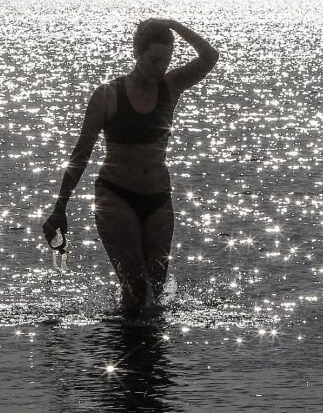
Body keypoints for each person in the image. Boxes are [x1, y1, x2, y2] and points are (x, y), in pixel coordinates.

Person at [42, 18, 219, 313]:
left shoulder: (172, 86)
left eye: (165, 61)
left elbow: (210, 56)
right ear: (137, 54)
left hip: (158, 198)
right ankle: (126, 347)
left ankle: (147, 349)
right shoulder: (108, 95)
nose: (159, 68)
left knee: (158, 285)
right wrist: (60, 208)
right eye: (152, 60)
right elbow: (81, 153)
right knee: (136, 286)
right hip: (116, 195)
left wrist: (174, 25)